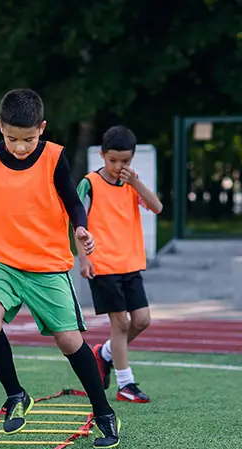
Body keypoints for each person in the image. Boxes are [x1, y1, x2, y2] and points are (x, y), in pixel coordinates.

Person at [0, 89, 120, 448]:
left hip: (47, 266)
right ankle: (15, 395)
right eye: (11, 139)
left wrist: (80, 227)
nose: (20, 147)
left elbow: (72, 200)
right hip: (3, 263)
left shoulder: (54, 158)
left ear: (42, 128)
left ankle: (103, 412)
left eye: (28, 139)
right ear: (0, 128)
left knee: (69, 342)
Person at [75, 125, 163, 403]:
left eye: (125, 161)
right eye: (112, 160)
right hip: (103, 265)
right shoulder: (89, 183)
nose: (118, 166)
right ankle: (126, 384)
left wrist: (136, 182)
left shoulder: (132, 185)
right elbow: (77, 222)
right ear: (102, 155)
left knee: (142, 320)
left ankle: (104, 354)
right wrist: (84, 259)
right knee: (121, 324)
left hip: (131, 263)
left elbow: (157, 207)